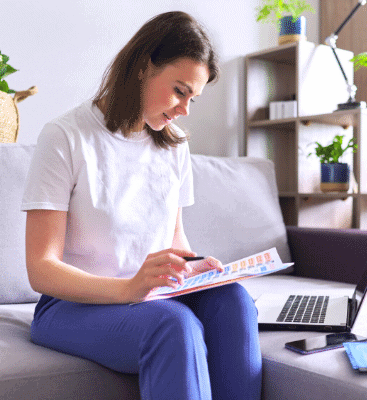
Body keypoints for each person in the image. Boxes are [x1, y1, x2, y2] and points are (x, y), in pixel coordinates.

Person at [21, 11, 262, 400]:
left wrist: (193, 265)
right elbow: (41, 269)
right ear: (143, 67)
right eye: (180, 91)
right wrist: (129, 289)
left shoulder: (174, 143)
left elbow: (175, 239)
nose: (185, 108)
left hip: (150, 296)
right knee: (173, 326)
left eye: (193, 98)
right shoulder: (65, 136)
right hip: (72, 305)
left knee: (232, 301)